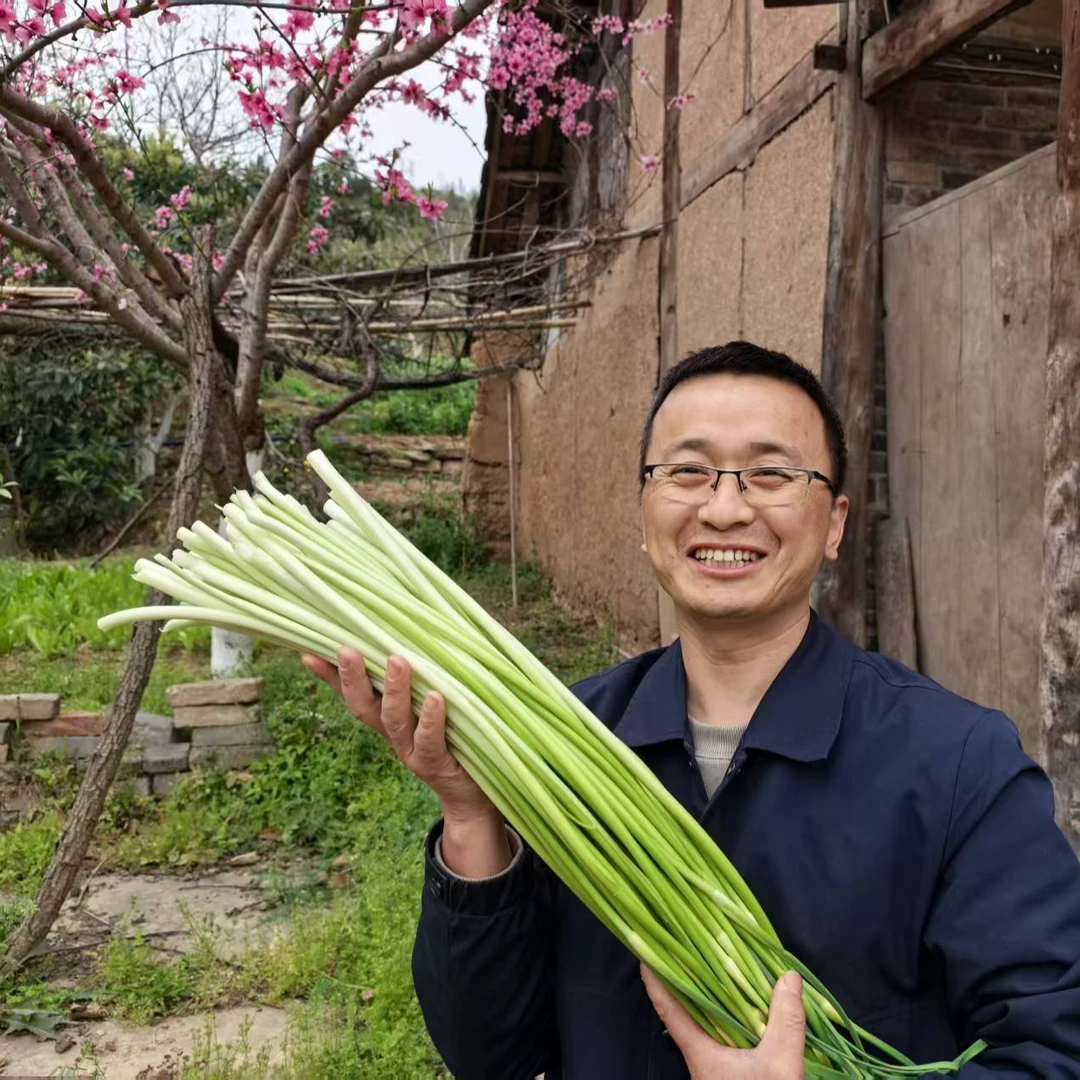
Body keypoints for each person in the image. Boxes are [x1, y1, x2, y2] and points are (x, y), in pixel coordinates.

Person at [304, 342, 1080, 1080]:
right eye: (688, 471)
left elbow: (1054, 1053)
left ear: (835, 522)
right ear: (645, 513)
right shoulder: (556, 743)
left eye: (772, 475)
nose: (724, 509)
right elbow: (493, 1056)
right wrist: (473, 817)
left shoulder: (960, 769)